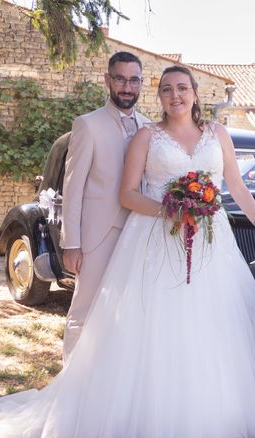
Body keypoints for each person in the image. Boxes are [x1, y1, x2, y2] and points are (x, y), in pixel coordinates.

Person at [0, 65, 255, 438]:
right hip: (158, 238)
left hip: (212, 244)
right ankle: (147, 416)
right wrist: (170, 211)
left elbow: (236, 186)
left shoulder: (218, 134)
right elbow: (126, 194)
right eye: (166, 90)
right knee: (154, 327)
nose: (175, 95)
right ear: (158, 97)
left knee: (207, 324)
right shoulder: (146, 135)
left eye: (182, 88)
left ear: (195, 93)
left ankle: (206, 412)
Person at [61, 51, 150, 362]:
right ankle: (70, 387)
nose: (127, 87)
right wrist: (72, 244)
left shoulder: (150, 128)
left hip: (140, 233)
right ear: (108, 80)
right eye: (121, 79)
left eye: (134, 80)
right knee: (84, 311)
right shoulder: (87, 125)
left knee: (128, 312)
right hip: (98, 235)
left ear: (142, 84)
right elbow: (72, 189)